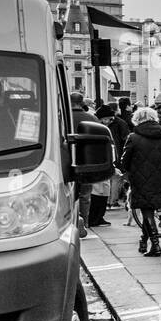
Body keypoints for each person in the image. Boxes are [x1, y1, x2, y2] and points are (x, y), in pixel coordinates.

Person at [118, 107, 161, 257]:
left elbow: (124, 160)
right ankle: (143, 240)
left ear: (137, 119)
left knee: (147, 211)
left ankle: (156, 245)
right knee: (150, 210)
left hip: (141, 178)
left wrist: (124, 169)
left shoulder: (133, 137)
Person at [69, 93, 99, 237]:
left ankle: (71, 222)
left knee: (67, 194)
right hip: (87, 162)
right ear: (82, 103)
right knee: (85, 195)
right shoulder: (92, 118)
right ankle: (84, 222)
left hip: (67, 161)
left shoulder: (61, 118)